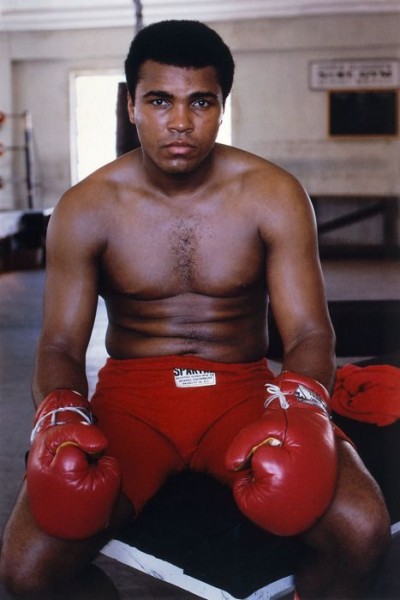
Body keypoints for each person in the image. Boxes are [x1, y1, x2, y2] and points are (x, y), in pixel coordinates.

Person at [0, 19, 390, 599]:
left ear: (222, 108)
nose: (180, 122)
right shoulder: (85, 208)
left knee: (362, 531)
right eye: (160, 100)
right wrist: (61, 412)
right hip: (132, 405)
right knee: (27, 570)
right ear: (131, 106)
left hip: (245, 394)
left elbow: (310, 331)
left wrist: (304, 405)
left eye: (200, 102)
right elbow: (59, 345)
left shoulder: (273, 194)